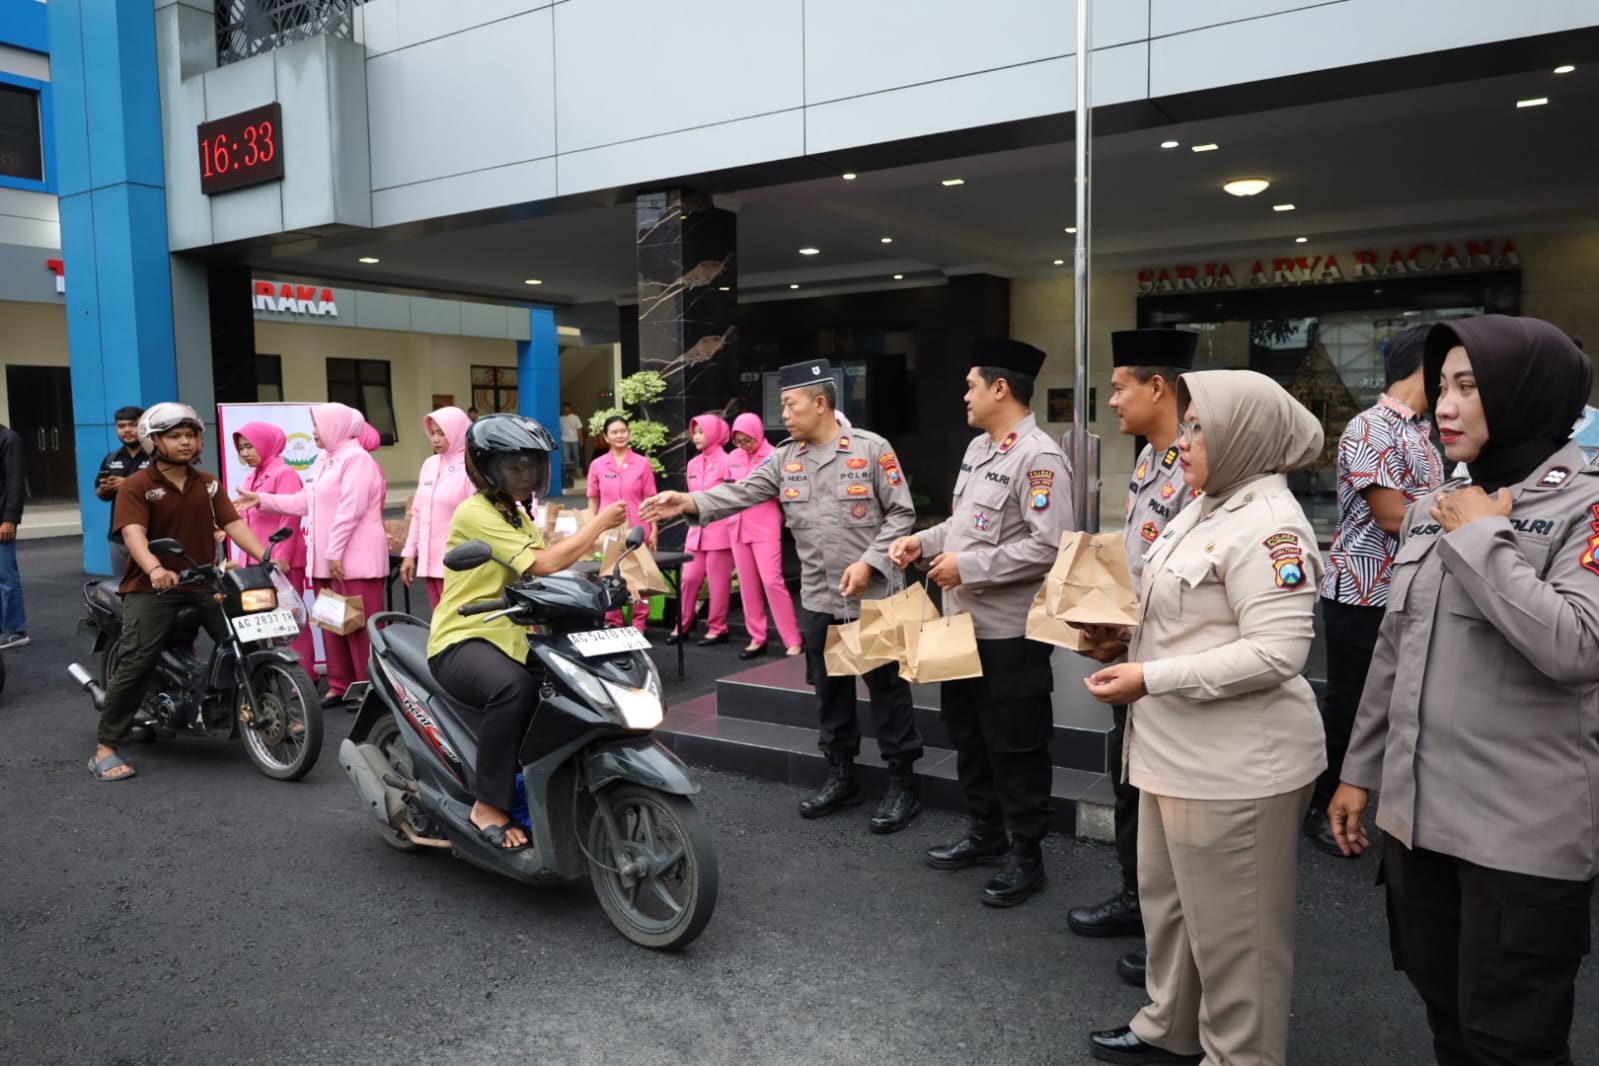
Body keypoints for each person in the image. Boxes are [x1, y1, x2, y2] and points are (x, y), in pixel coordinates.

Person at [1329, 316, 1599, 1066]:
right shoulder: (1433, 505)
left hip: (1518, 838)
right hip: (1420, 825)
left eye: (1468, 387)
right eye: (1440, 386)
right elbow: (1393, 651)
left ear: (1525, 392)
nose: (1442, 406)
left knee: (1510, 1041)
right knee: (1444, 1014)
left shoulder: (1585, 506)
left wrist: (1485, 537)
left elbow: (1578, 646)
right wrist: (1358, 773)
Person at [1081, 369, 1326, 1066]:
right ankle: (1170, 1028)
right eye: (1183, 427)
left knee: (1235, 939)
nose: (1181, 441)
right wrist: (1122, 641)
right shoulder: (1205, 504)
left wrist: (1149, 675)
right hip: (1171, 752)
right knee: (1170, 909)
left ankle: (1238, 1055)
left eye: (1196, 428)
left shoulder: (1269, 524)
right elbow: (1188, 620)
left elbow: (1278, 653)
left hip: (1235, 769)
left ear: (1242, 436)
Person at [642, 359, 924, 832]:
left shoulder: (872, 450)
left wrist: (870, 561)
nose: (784, 415)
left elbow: (901, 516)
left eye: (790, 405)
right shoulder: (785, 458)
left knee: (887, 693)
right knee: (831, 696)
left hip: (875, 598)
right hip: (820, 597)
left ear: (820, 402)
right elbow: (742, 492)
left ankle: (902, 783)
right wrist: (688, 502)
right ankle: (842, 776)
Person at [889, 338, 1073, 906]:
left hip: (1010, 634)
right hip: (961, 628)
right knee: (969, 736)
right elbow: (963, 525)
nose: (963, 394)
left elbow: (1049, 548)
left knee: (1015, 745)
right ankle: (986, 833)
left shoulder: (1039, 458)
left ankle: (1026, 855)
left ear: (1000, 388)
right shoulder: (978, 450)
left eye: (971, 384)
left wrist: (967, 566)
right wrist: (922, 539)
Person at [427, 414, 627, 847]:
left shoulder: (515, 514)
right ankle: (488, 804)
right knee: (514, 689)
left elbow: (545, 569)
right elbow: (541, 564)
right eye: (516, 465)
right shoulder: (475, 511)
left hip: (512, 634)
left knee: (571, 687)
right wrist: (599, 523)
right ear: (486, 467)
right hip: (464, 636)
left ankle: (545, 785)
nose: (528, 474)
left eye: (534, 465)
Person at [1066, 329, 1197, 980]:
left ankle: (1174, 934)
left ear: (1156, 386)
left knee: (1168, 800)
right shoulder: (1149, 459)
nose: (1111, 400)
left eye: (1119, 387)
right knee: (1128, 783)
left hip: (1173, 659)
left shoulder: (1202, 461)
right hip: (1135, 649)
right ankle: (1136, 900)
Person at [1306, 325, 1443, 858]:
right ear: (1426, 368)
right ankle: (1321, 805)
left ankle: (1362, 799)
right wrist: (1462, 515)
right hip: (1361, 591)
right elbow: (1390, 516)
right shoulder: (1371, 427)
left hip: (1404, 588)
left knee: (1389, 701)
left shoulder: (1421, 434)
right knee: (1351, 704)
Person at [88, 404, 271, 781]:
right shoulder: (137, 486)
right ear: (154, 442)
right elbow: (133, 533)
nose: (186, 441)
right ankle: (106, 746)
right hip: (153, 586)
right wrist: (155, 568)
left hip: (204, 580)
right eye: (175, 436)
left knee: (248, 640)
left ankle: (269, 708)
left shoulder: (207, 483)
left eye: (191, 434)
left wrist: (266, 556)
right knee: (137, 659)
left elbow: (233, 523)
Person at [237, 403, 388, 707]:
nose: (314, 432)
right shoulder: (324, 459)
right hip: (327, 560)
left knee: (360, 627)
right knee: (332, 623)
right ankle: (340, 683)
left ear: (336, 426)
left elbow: (352, 509)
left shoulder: (357, 459)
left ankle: (372, 688)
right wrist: (261, 499)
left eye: (318, 425)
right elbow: (304, 501)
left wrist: (333, 552)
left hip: (352, 560)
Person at [232, 422, 314, 669]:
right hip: (257, 560)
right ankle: (274, 672)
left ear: (267, 444)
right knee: (266, 621)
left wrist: (281, 557)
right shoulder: (251, 475)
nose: (245, 453)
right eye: (241, 448)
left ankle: (302, 673)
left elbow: (290, 517)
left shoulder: (284, 473)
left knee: (289, 619)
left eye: (250, 446)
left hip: (280, 560)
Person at [726, 412, 802, 659]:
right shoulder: (733, 457)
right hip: (737, 525)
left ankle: (792, 639)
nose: (742, 446)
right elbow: (726, 488)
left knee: (771, 580)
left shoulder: (774, 455)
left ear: (757, 433)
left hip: (764, 525)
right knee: (747, 586)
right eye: (737, 441)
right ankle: (757, 637)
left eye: (747, 440)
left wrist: (756, 489)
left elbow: (785, 490)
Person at [586, 414, 657, 633]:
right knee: (610, 577)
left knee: (640, 578)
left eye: (623, 431)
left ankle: (639, 624)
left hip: (638, 529)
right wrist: (592, 531)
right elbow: (592, 502)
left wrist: (654, 530)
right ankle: (613, 623)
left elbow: (651, 500)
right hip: (609, 531)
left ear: (629, 433)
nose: (620, 435)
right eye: (614, 432)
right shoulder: (598, 465)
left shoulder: (642, 463)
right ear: (606, 437)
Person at [670, 414, 736, 646]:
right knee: (689, 578)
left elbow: (734, 498)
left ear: (715, 433)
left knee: (719, 583)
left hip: (720, 531)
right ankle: (683, 623)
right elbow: (690, 498)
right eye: (694, 432)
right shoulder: (692, 464)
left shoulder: (729, 461)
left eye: (701, 431)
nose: (696, 436)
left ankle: (718, 627)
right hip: (696, 531)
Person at [400, 406, 474, 610]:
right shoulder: (430, 464)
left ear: (458, 431)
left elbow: (479, 519)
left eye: (442, 433)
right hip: (430, 563)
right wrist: (409, 554)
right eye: (432, 433)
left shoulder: (472, 467)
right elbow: (418, 513)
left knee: (460, 629)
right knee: (440, 626)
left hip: (459, 566)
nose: (435, 439)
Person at [95, 405, 151, 580]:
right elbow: (99, 493)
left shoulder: (155, 456)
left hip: (152, 535)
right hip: (118, 536)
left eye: (132, 425)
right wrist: (104, 490)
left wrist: (126, 485)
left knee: (155, 586)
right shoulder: (111, 459)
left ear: (143, 426)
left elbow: (164, 490)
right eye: (121, 426)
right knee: (122, 588)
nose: (127, 430)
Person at [0, 417, 25, 650]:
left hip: (1, 521)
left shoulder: (8, 439)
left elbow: (15, 482)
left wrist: (10, 519)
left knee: (6, 578)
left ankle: (15, 629)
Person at [559, 401, 586, 489]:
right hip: (564, 440)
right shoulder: (560, 418)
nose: (565, 409)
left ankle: (577, 473)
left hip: (574, 440)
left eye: (566, 407)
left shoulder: (575, 417)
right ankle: (568, 475)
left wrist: (581, 440)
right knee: (566, 458)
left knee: (576, 457)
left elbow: (579, 430)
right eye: (563, 408)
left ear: (570, 408)